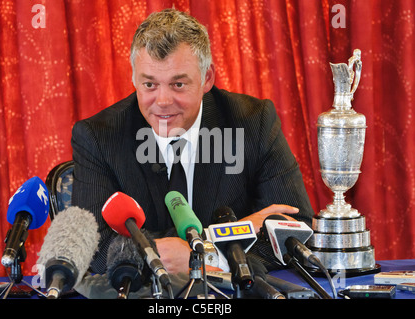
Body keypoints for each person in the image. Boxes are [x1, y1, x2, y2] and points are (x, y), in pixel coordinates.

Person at [71, 8, 314, 275]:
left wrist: (208, 258)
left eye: (178, 85)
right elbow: (91, 248)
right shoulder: (98, 136)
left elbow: (295, 229)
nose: (162, 101)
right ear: (133, 79)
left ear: (206, 78)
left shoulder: (253, 123)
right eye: (149, 85)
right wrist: (230, 236)